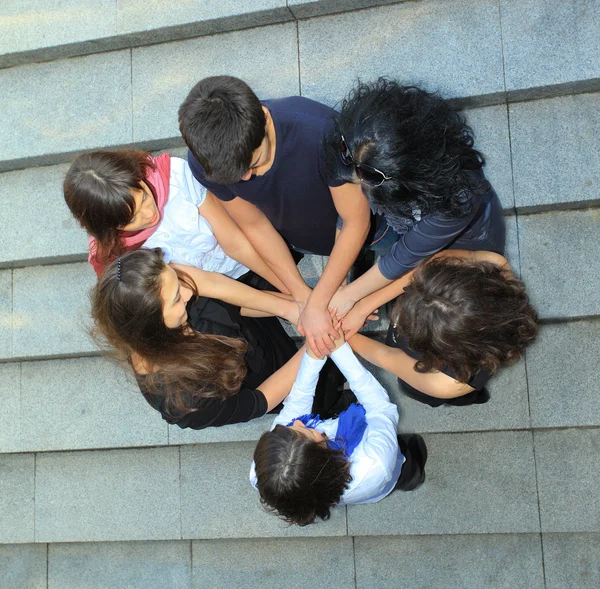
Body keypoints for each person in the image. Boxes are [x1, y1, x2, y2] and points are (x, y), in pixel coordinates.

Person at [178, 76, 372, 358]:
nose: (245, 179)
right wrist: (305, 297)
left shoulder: (320, 132)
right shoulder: (208, 160)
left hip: (367, 225)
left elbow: (354, 221)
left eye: (254, 164)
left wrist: (321, 300)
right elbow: (254, 225)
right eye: (235, 176)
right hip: (305, 235)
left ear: (265, 119)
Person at [326, 79, 506, 326]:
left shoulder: (459, 197)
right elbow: (349, 215)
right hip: (419, 236)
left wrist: (351, 296)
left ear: (413, 174)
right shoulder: (357, 148)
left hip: (462, 242)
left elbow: (411, 257)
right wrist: (339, 286)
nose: (358, 183)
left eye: (367, 178)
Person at [92, 248, 312, 429]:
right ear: (154, 326)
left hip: (259, 334)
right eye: (177, 298)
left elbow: (236, 305)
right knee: (322, 392)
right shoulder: (184, 402)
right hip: (272, 379)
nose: (188, 294)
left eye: (177, 278)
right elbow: (259, 400)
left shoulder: (158, 292)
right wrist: (314, 348)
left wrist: (297, 308)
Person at [250, 327, 427, 526]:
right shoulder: (374, 463)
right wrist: (340, 350)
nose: (298, 422)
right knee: (408, 462)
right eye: (308, 430)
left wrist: (313, 355)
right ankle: (410, 477)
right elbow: (380, 409)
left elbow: (296, 404)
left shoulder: (266, 468)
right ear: (325, 455)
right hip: (385, 472)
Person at [63, 149, 286, 293]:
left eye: (144, 196)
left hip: (249, 257)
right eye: (132, 219)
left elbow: (234, 241)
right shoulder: (118, 253)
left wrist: (291, 291)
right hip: (212, 298)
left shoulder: (173, 177)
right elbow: (204, 287)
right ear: (110, 227)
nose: (149, 213)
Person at [346, 251, 538, 407]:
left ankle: (470, 397)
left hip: (444, 381)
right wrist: (363, 307)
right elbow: (430, 264)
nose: (401, 306)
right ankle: (472, 396)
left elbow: (387, 355)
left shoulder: (446, 383)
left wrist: (341, 332)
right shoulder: (494, 264)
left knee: (420, 391)